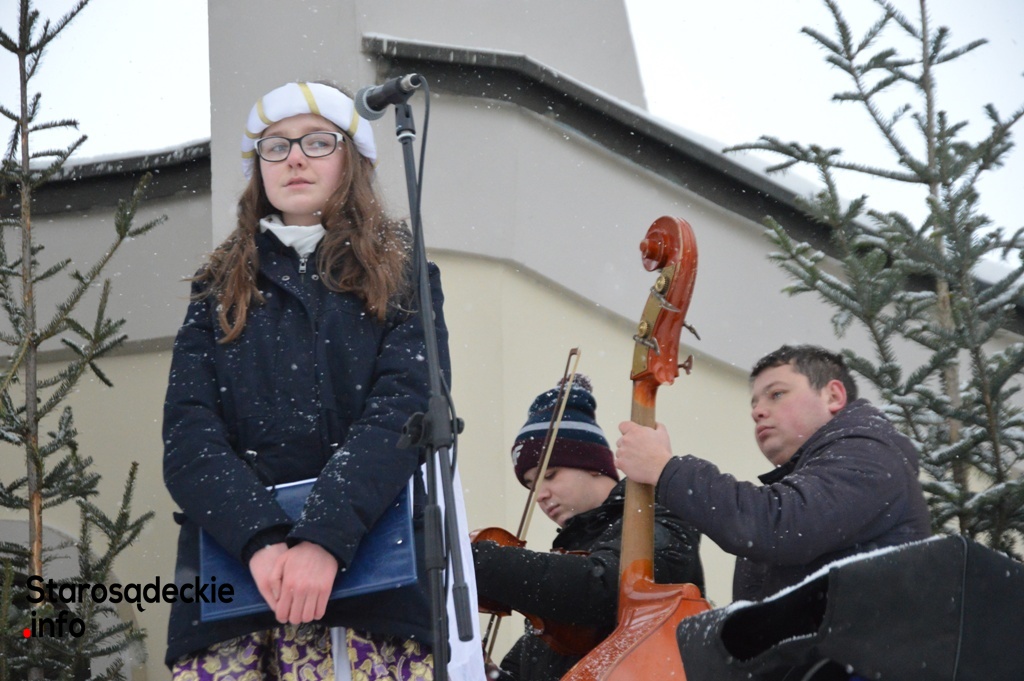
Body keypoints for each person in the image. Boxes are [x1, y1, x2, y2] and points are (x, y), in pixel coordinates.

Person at [162, 81, 451, 680]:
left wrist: (323, 538)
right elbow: (189, 438)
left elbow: (404, 412)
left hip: (374, 592)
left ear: (354, 159)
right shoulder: (216, 286)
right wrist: (259, 539)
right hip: (234, 597)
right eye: (275, 146)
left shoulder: (403, 272)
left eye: (317, 142)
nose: (294, 158)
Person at [614, 344, 932, 603]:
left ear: (833, 396)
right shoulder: (827, 468)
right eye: (754, 403)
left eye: (776, 394)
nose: (757, 411)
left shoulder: (870, 454)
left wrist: (667, 470)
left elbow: (780, 525)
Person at [472, 375, 705, 681]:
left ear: (594, 465)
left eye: (550, 475)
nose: (539, 495)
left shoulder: (657, 515)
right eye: (531, 485)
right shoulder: (566, 566)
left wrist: (479, 561)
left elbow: (603, 588)